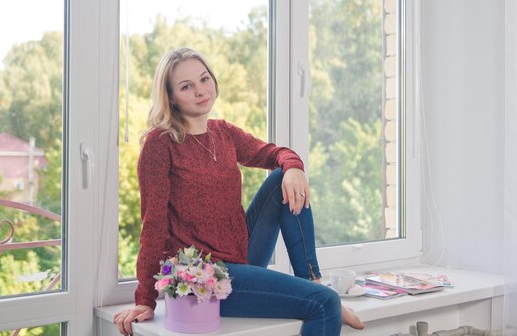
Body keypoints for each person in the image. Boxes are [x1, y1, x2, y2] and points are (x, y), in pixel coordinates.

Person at [113, 47, 364, 336]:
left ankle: (311, 279)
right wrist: (145, 300)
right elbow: (153, 223)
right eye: (186, 86)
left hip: (240, 257)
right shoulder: (161, 143)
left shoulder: (224, 133)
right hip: (205, 276)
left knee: (285, 174)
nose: (200, 90)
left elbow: (275, 153)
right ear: (171, 96)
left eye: (204, 79)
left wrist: (294, 165)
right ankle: (320, 296)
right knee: (324, 304)